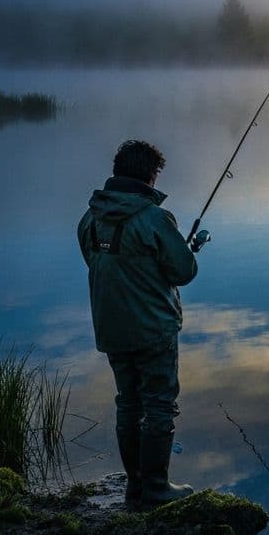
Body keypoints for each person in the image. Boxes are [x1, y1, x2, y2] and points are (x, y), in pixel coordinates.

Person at [77, 139, 206, 509]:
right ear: (150, 176)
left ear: (118, 171)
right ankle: (156, 488)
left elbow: (94, 260)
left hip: (111, 328)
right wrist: (186, 249)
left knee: (128, 403)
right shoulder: (155, 218)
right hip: (153, 330)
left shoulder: (90, 218)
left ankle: (134, 486)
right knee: (160, 405)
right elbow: (183, 272)